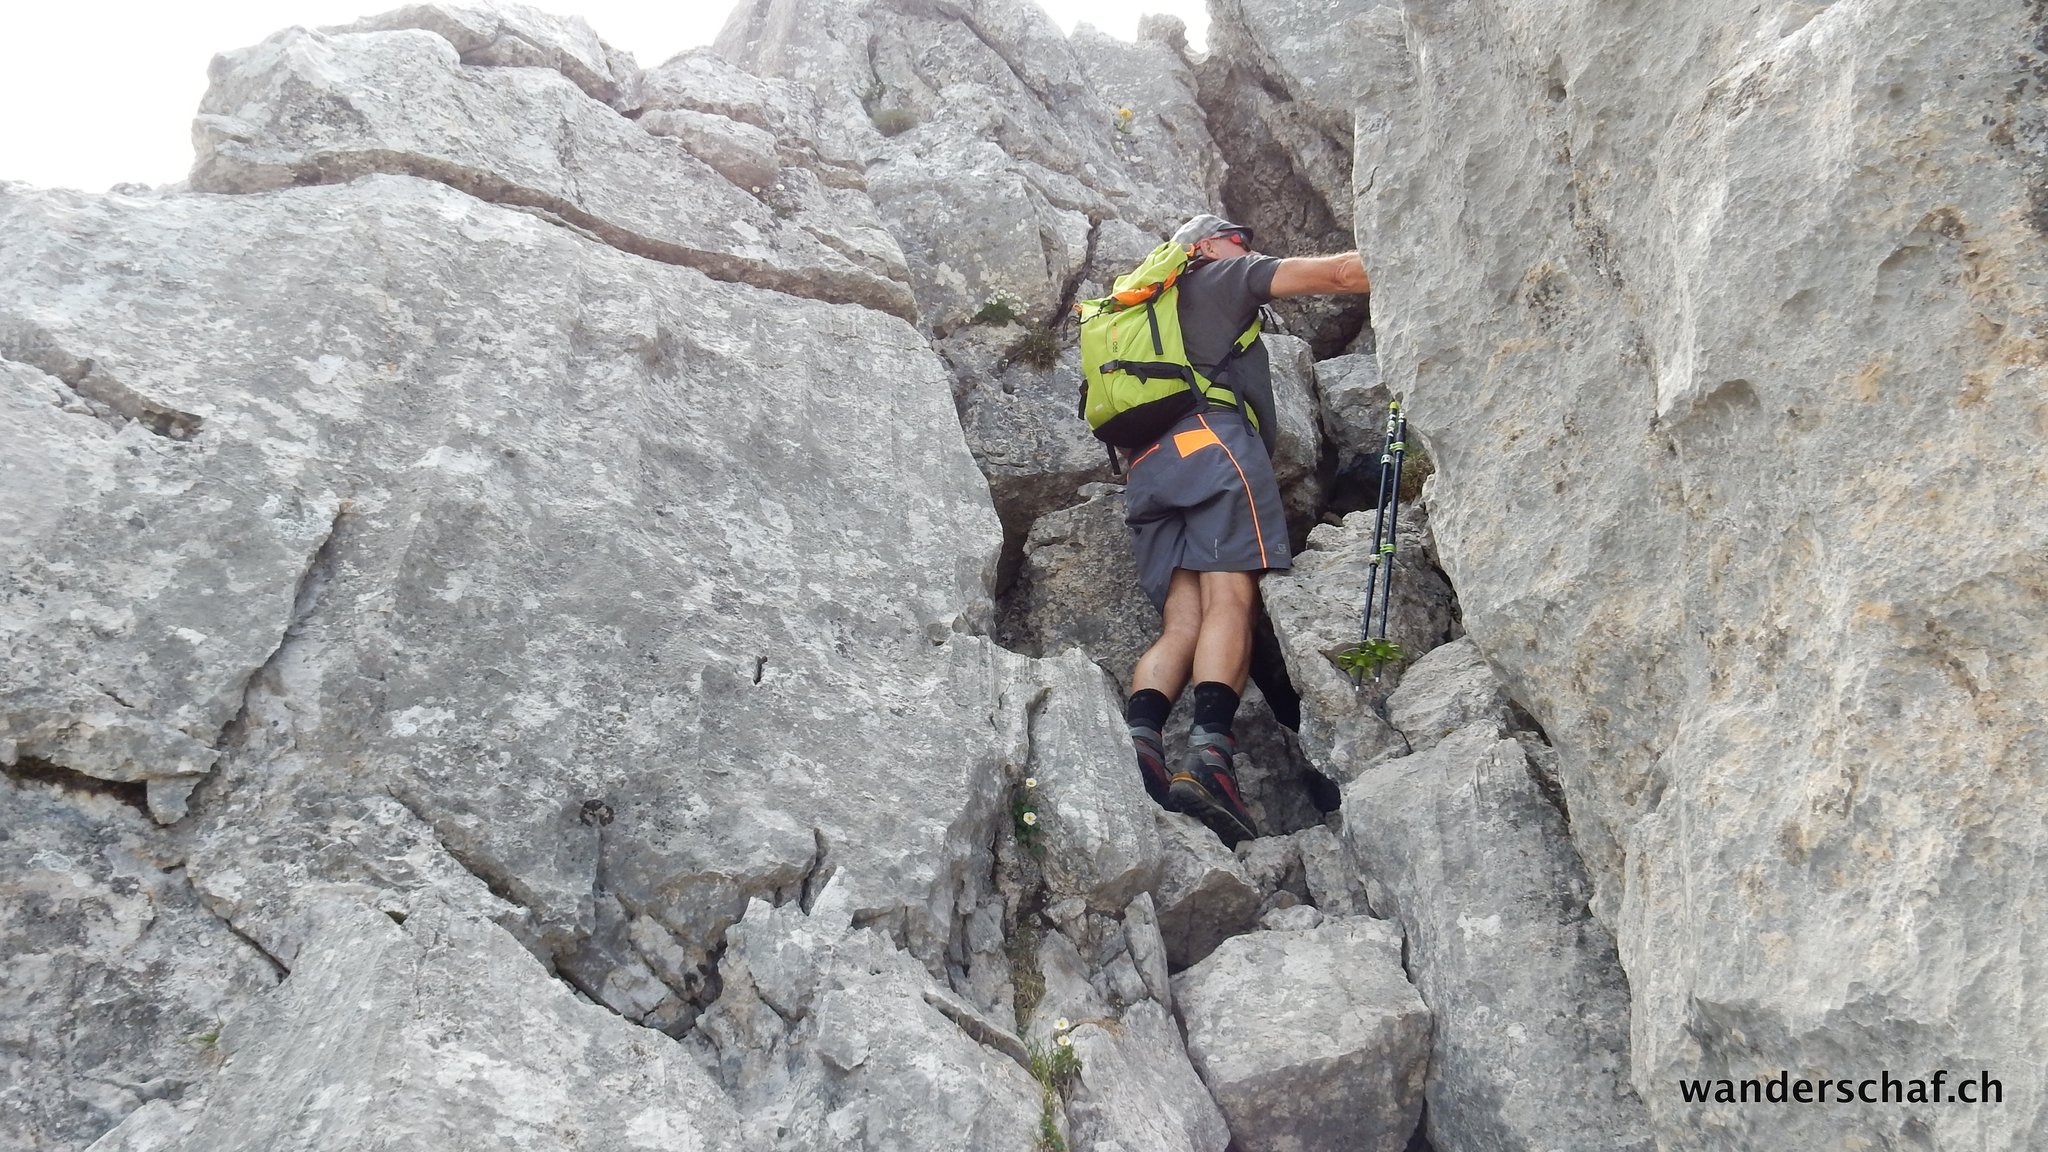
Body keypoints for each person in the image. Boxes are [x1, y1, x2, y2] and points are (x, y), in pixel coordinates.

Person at [1122, 213, 1370, 846]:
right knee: (1233, 596)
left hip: (1149, 468)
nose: (1249, 246)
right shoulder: (1219, 277)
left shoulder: (1143, 314)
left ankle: (1141, 747)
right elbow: (1343, 273)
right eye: (1238, 237)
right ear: (1204, 245)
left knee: (1183, 622)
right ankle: (1209, 758)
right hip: (1212, 445)